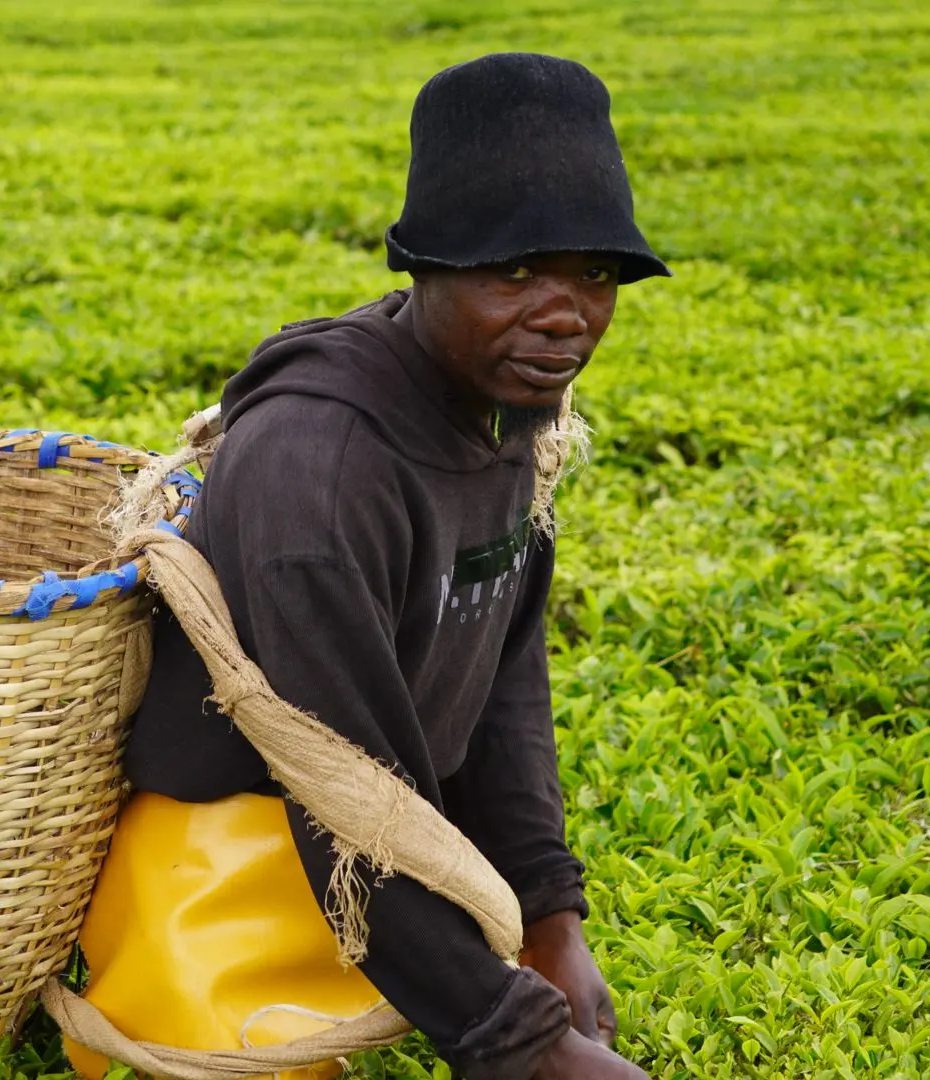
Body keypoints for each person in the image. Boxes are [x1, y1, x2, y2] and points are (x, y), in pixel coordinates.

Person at [65, 53, 668, 1080]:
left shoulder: (506, 400)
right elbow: (335, 778)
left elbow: (504, 675)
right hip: (225, 860)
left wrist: (546, 915)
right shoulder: (320, 467)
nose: (565, 315)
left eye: (595, 276)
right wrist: (518, 1043)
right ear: (424, 268)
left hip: (393, 855)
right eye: (513, 273)